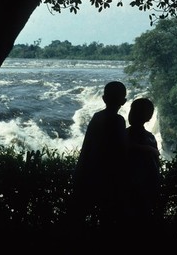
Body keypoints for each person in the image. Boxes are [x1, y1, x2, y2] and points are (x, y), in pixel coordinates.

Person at [68, 81, 129, 248]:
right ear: (123, 102)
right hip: (106, 178)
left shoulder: (97, 117)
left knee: (79, 219)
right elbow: (121, 151)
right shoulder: (118, 120)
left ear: (103, 98)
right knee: (106, 222)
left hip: (87, 173)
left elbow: (88, 146)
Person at [124, 97, 162, 241]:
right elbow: (156, 162)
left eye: (135, 111)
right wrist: (148, 149)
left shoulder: (124, 134)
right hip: (145, 188)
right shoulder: (150, 138)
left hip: (133, 188)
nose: (132, 114)